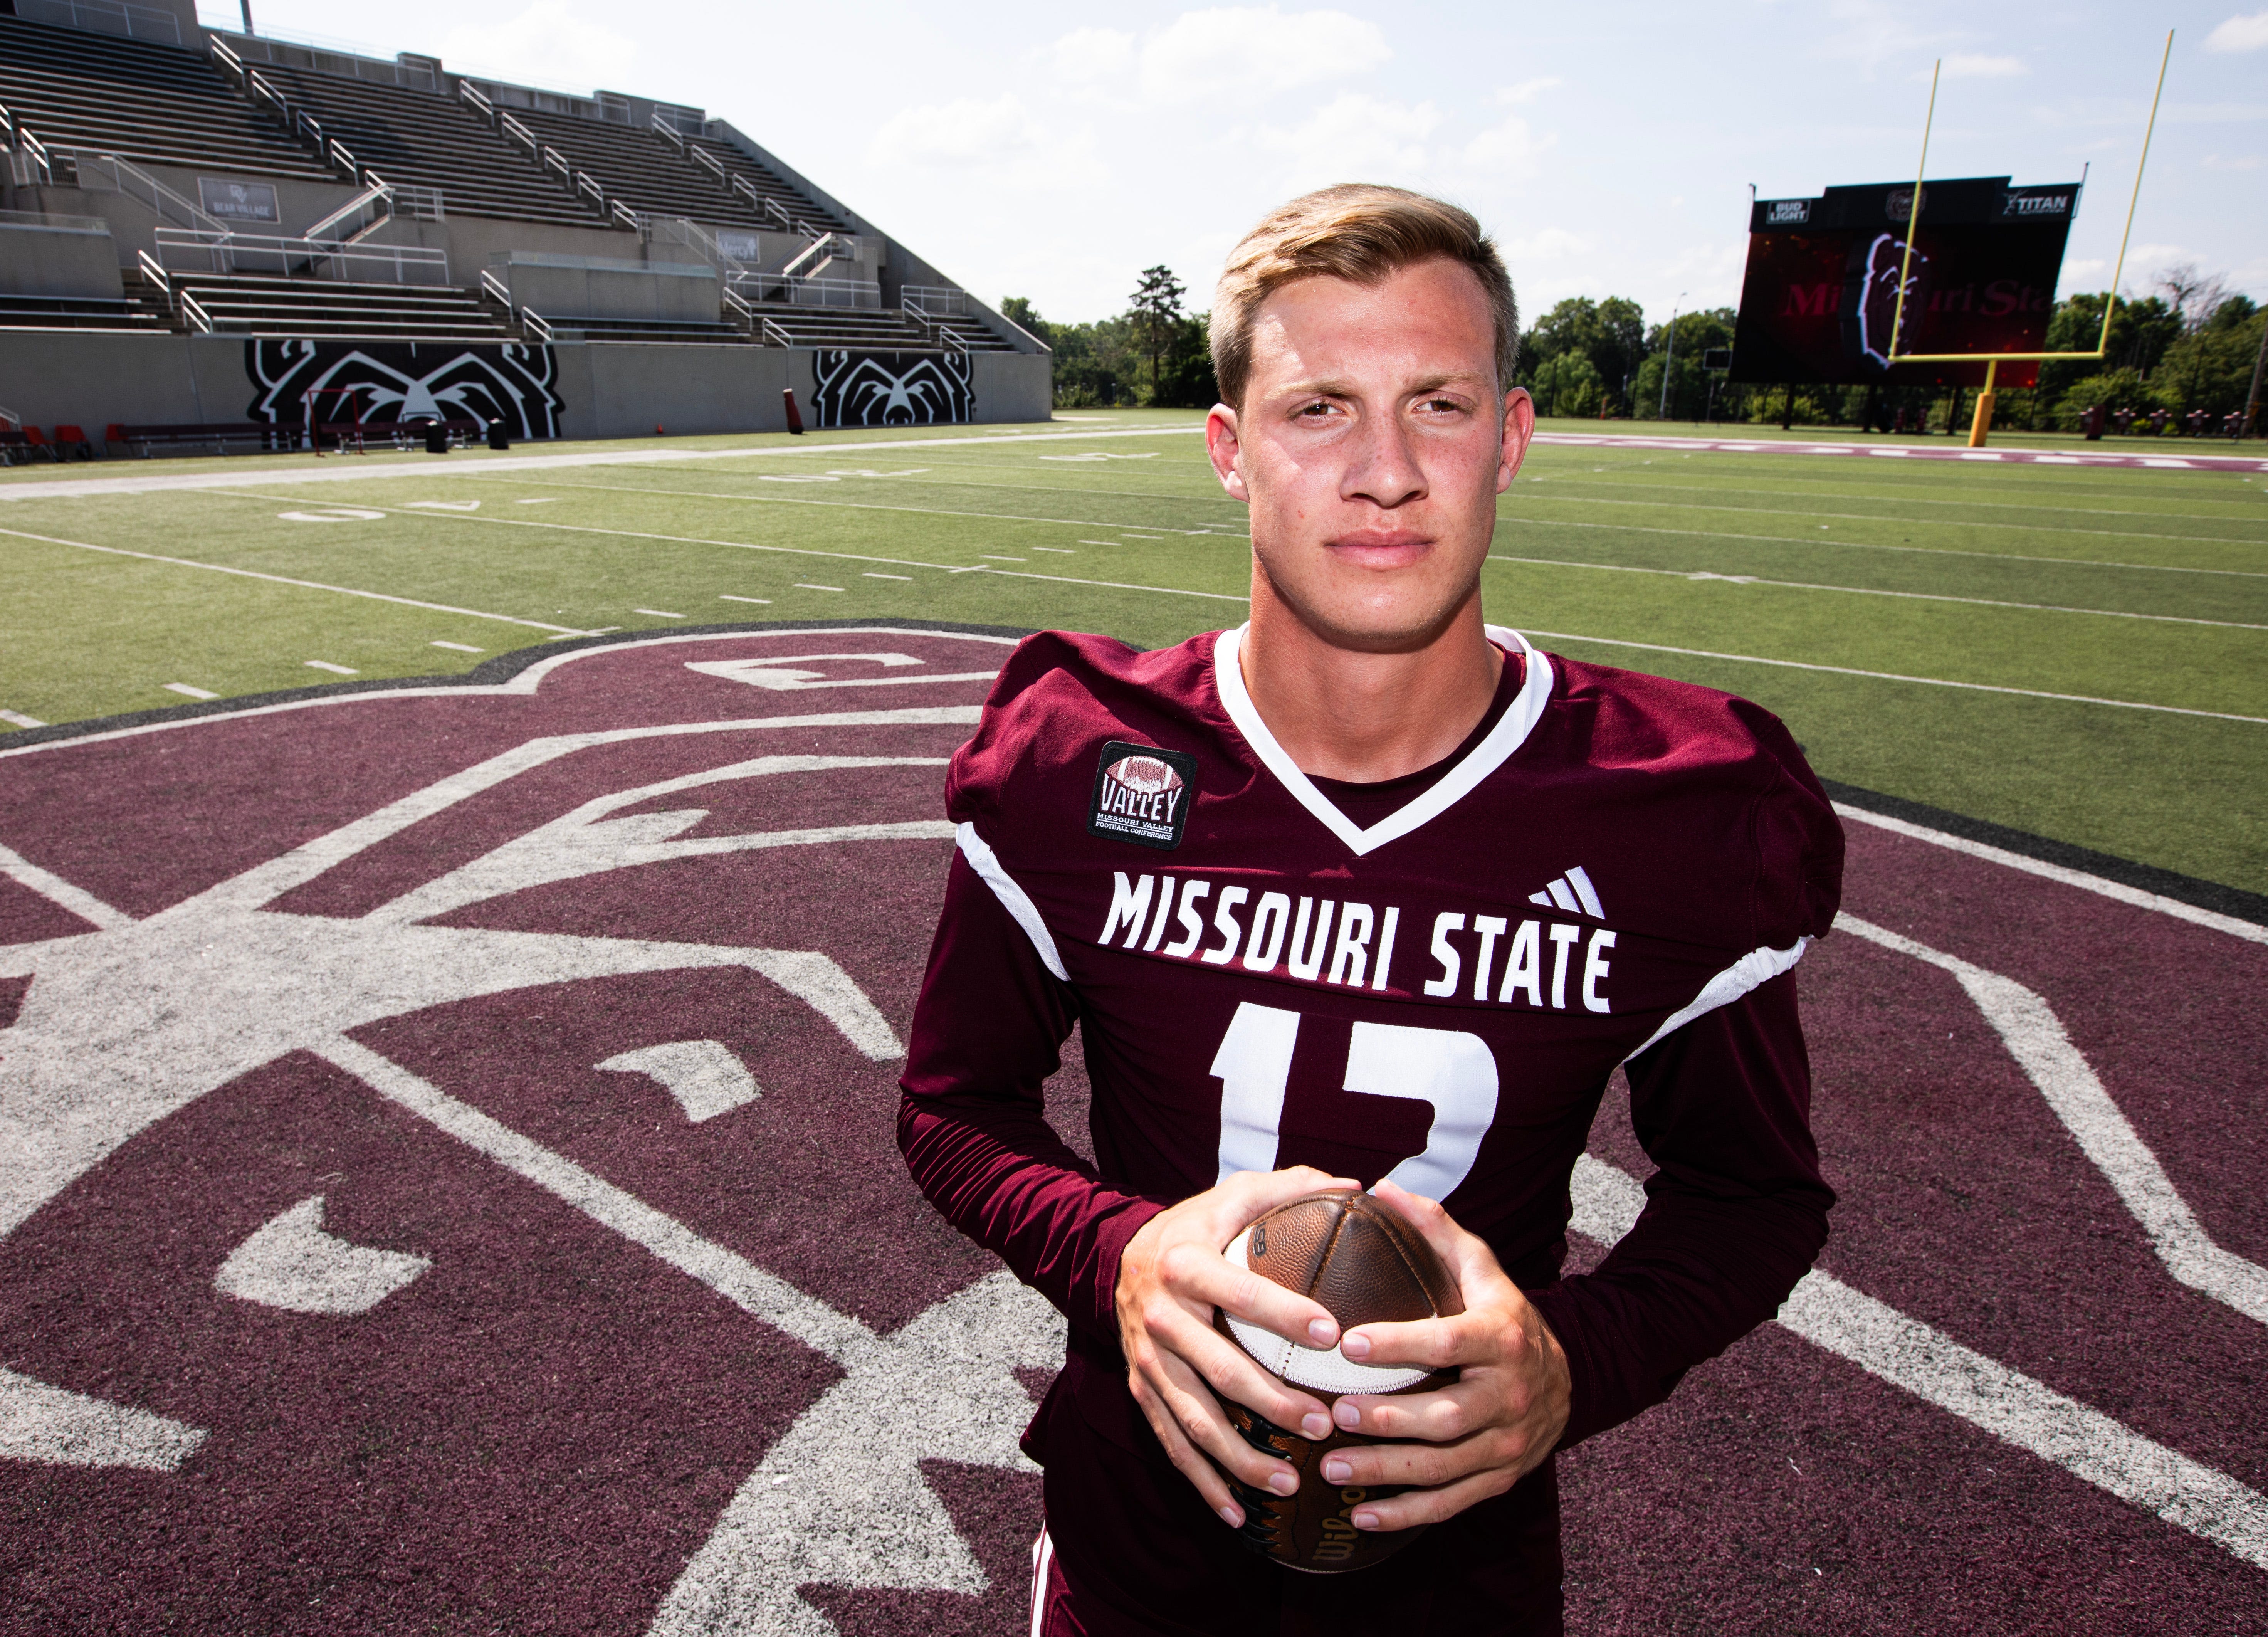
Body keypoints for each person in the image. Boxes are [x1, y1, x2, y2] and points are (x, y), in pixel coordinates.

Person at [898, 184, 1842, 1636]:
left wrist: (1573, 1362)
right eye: (1320, 407)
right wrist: (1123, 1255)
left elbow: (1751, 1194)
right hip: (1134, 1547)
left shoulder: (1670, 809)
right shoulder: (1083, 758)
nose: (1386, 470)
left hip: (1458, 1572)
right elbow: (957, 1104)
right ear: (1230, 449)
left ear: (1512, 439)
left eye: (1440, 405)